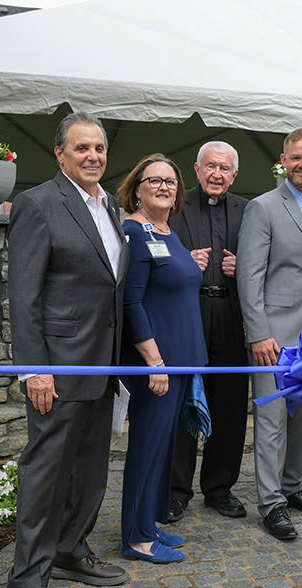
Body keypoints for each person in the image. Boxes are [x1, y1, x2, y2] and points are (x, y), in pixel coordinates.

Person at [4, 112, 130, 588]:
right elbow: (23, 296)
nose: (93, 156)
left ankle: (71, 549)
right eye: (82, 149)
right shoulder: (39, 203)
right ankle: (26, 581)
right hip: (58, 367)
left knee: (91, 468)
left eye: (99, 148)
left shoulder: (111, 207)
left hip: (104, 363)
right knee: (47, 473)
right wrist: (35, 370)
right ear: (60, 154)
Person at [237, 129, 302, 540]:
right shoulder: (262, 208)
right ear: (284, 160)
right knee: (272, 418)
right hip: (273, 336)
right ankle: (271, 503)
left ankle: (293, 487)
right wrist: (258, 333)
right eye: (296, 158)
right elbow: (249, 276)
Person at [117, 154, 208, 563]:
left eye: (170, 181)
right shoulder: (135, 232)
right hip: (159, 363)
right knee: (146, 447)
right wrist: (154, 362)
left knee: (163, 449)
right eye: (153, 180)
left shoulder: (166, 232)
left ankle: (150, 526)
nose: (164, 186)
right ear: (137, 188)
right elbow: (132, 301)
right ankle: (135, 539)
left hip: (183, 361)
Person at [168, 141, 250, 522]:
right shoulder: (173, 203)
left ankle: (219, 488)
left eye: (225, 168)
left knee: (230, 404)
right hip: (189, 314)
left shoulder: (248, 210)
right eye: (211, 167)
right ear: (197, 170)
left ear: (235, 175)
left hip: (231, 315)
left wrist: (242, 269)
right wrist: (183, 261)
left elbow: (262, 259)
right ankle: (176, 491)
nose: (217, 175)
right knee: (184, 400)